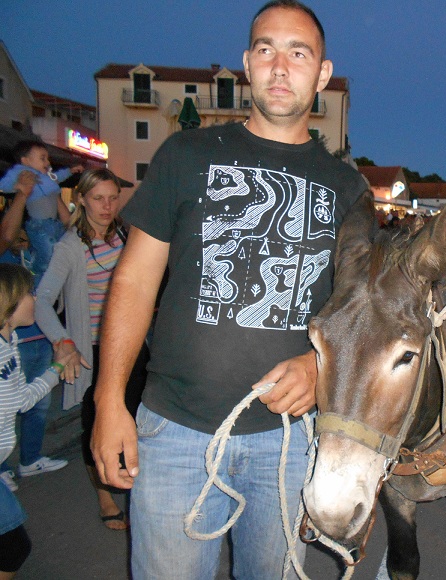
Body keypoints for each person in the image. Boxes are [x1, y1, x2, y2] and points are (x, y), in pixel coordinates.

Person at [90, 2, 369, 577]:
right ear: (247, 63)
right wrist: (108, 400)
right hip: (175, 433)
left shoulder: (348, 188)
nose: (280, 66)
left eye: (299, 53)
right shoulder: (186, 155)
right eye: (266, 49)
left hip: (288, 443)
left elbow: (358, 312)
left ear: (322, 73)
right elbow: (134, 281)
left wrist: (319, 366)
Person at [35, 169, 149, 530]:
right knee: (97, 422)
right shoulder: (70, 247)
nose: (107, 206)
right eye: (98, 198)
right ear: (82, 199)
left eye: (113, 197)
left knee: (138, 417)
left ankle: (136, 483)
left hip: (132, 344)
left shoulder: (127, 235)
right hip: (94, 350)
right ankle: (105, 498)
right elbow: (42, 301)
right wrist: (63, 341)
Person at [0, 175, 67, 492]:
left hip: (35, 339)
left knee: (35, 406)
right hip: (19, 342)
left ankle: (29, 459)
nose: (21, 238)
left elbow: (64, 232)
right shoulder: (6, 267)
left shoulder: (38, 257)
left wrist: (54, 195)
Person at [0, 264, 67, 579]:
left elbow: (19, 398)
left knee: (12, 548)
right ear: (9, 303)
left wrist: (56, 367)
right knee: (14, 548)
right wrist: (57, 368)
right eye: (28, 293)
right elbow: (20, 401)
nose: (35, 298)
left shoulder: (9, 340)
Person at [0, 141, 83, 285]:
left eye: (47, 158)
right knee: (48, 249)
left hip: (53, 223)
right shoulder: (20, 173)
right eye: (42, 158)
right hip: (39, 223)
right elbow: (4, 185)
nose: (47, 162)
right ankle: (40, 270)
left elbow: (57, 177)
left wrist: (69, 172)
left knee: (63, 245)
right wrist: (20, 188)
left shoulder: (47, 178)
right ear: (25, 161)